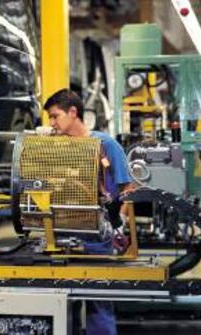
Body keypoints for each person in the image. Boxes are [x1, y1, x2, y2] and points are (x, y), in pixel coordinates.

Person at [43, 88, 134, 335]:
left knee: (98, 302)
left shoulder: (106, 145)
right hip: (63, 232)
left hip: (98, 236)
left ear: (73, 113)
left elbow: (128, 187)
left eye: (55, 116)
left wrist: (120, 221)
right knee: (62, 300)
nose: (52, 123)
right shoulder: (56, 148)